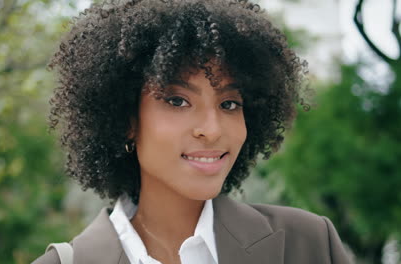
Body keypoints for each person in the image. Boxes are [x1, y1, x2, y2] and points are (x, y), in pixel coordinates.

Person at [33, 0, 351, 263]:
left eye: (229, 104)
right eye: (177, 101)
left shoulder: (308, 244)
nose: (211, 131)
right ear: (127, 120)